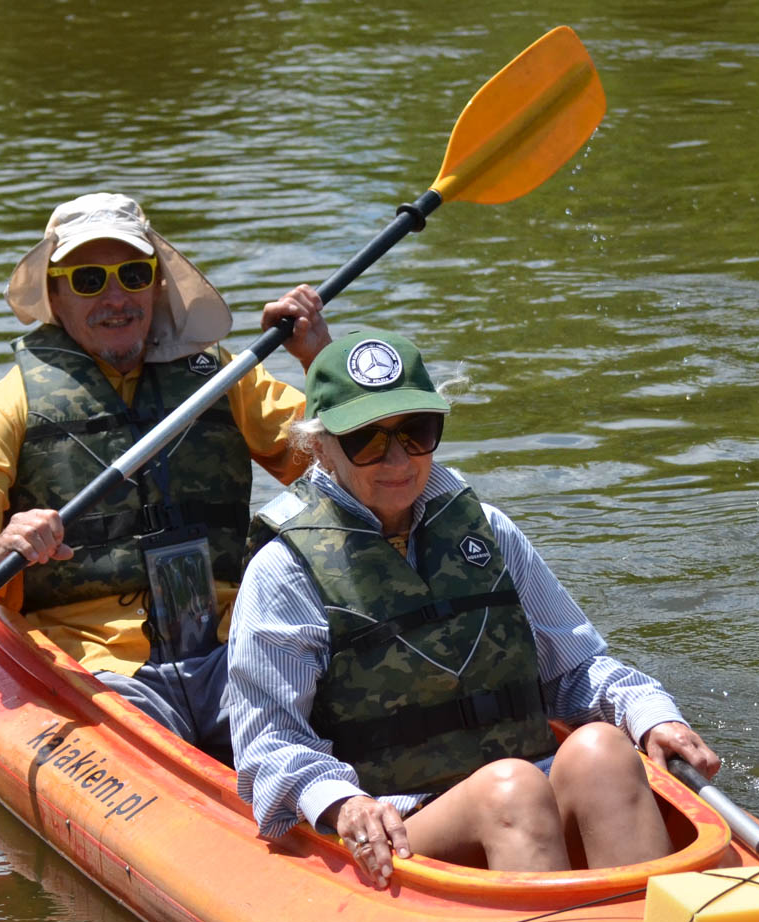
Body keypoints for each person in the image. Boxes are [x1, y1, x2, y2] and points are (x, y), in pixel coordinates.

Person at [226, 329, 723, 887]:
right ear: (319, 445)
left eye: (416, 432)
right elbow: (269, 743)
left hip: (526, 790)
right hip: (403, 825)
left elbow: (575, 668)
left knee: (604, 751)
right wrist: (343, 804)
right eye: (367, 440)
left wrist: (651, 713)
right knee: (507, 788)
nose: (397, 459)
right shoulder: (283, 570)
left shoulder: (487, 530)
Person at [0, 193, 330, 756]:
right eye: (89, 279)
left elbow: (346, 461)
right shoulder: (12, 400)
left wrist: (320, 362)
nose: (116, 299)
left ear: (157, 285)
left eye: (133, 275)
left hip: (229, 647)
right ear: (56, 294)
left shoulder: (221, 378)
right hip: (97, 666)